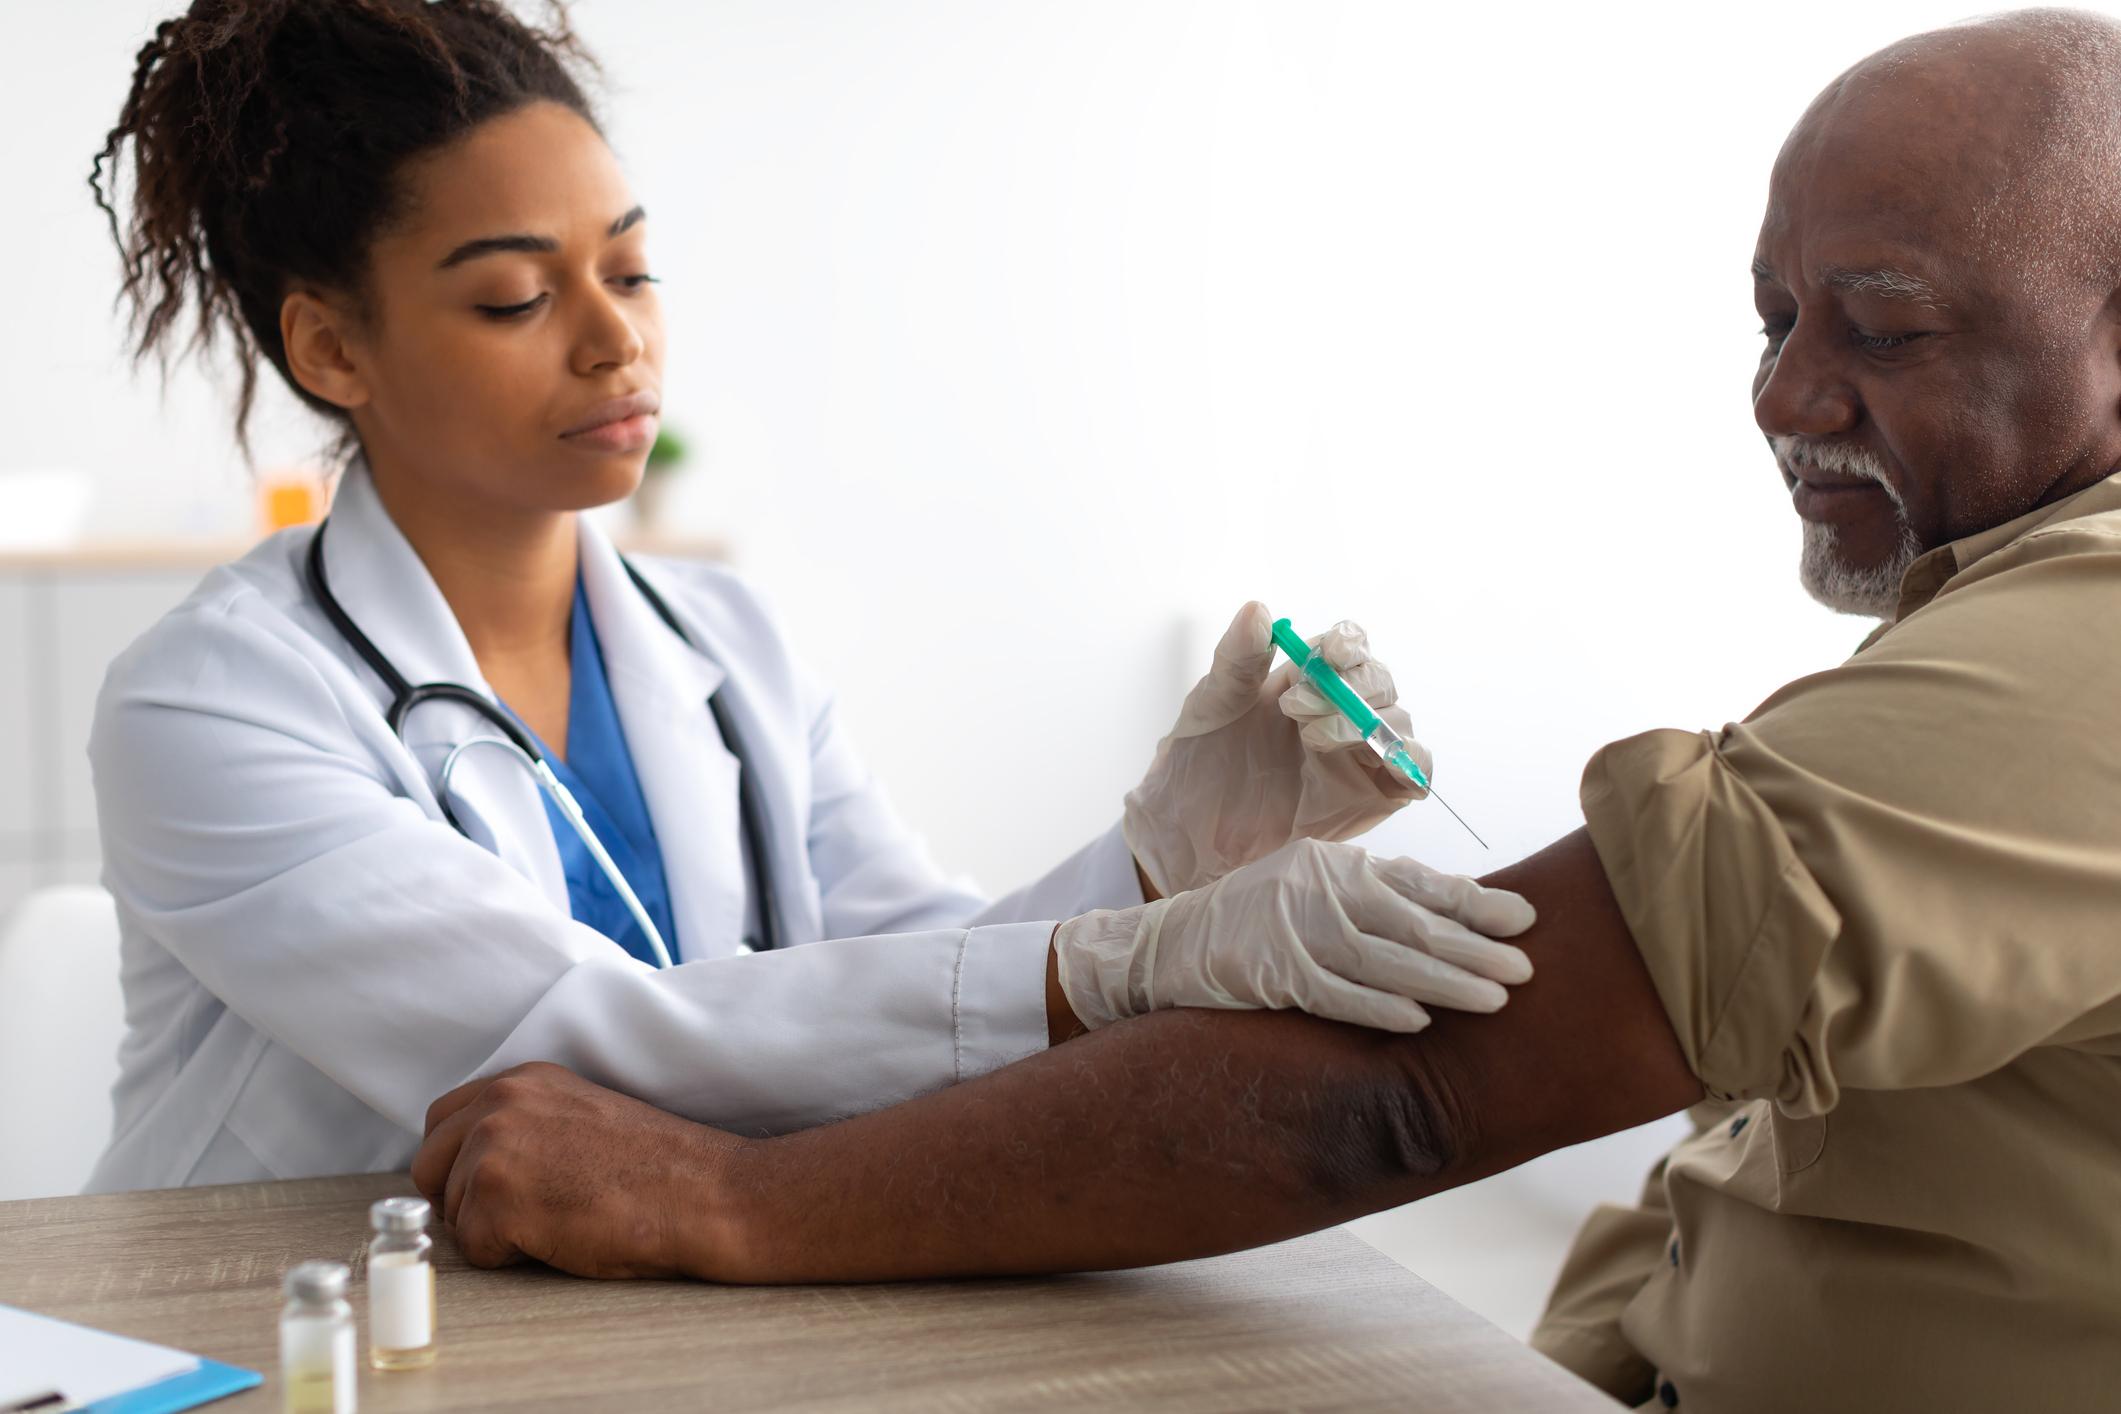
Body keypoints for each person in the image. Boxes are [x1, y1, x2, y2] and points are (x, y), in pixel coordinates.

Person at [413, 10, 2121, 1411]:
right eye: (1768, 315)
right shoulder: (215, 693)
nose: (1781, 391)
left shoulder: (2082, 644)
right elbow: (889, 972)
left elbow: (1398, 1092)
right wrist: (1139, 900)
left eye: (1880, 328)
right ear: (328, 351)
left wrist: (725, 1191)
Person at [83, 0, 1540, 1195]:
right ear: (333, 347)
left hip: (639, 1298)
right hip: (283, 1325)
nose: (615, 344)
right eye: (518, 298)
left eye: (633, 270)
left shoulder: (721, 642)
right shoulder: (210, 703)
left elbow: (924, 973)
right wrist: (1127, 959)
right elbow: (563, 1039)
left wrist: (1164, 860)